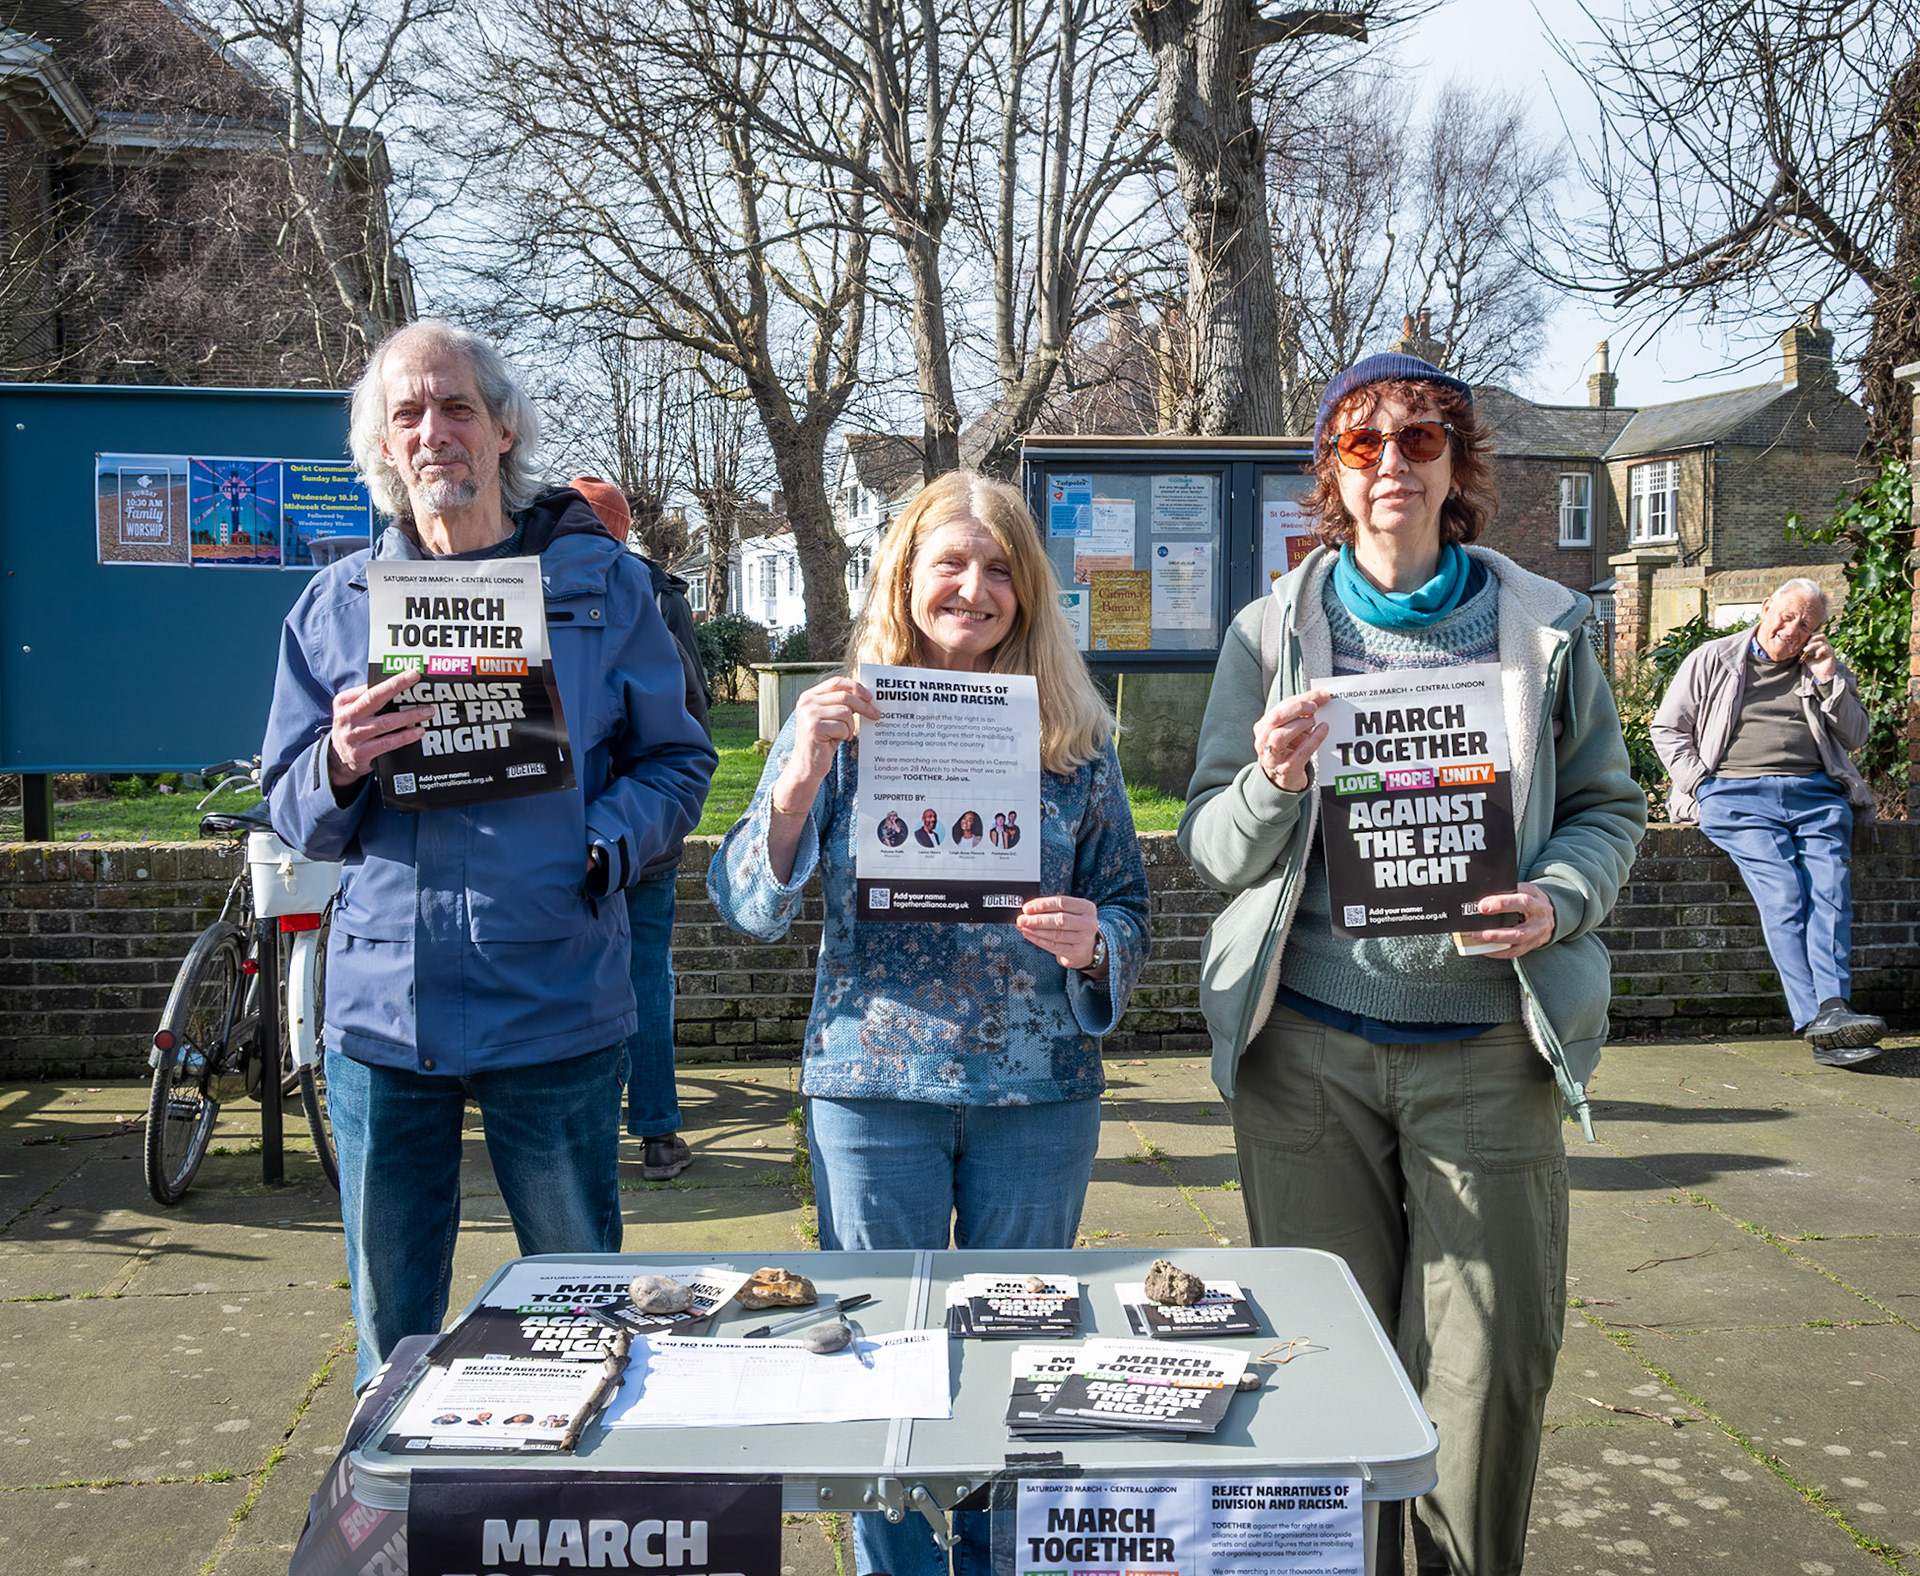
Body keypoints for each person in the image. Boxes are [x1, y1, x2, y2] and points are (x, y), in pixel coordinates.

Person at [1179, 353, 1645, 1576]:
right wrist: (1273, 781)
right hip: (1309, 1054)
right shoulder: (1269, 632)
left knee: (1488, 1372)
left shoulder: (1547, 628)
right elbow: (1212, 847)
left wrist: (1556, 898)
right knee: (1324, 1366)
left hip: (1489, 1046)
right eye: (1363, 442)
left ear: (1459, 465)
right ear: (1332, 471)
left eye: (1422, 438)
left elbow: (1610, 807)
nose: (1394, 461)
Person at [261, 321, 718, 1391]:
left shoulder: (603, 585)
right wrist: (337, 761)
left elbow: (678, 763)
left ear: (504, 427)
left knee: (580, 1322)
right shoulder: (333, 607)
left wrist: (601, 847)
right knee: (392, 1347)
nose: (433, 432)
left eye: (456, 406)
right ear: (379, 442)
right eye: (407, 413)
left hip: (551, 996)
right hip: (383, 1017)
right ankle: (399, 1538)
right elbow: (292, 808)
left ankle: (578, 1520)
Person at [709, 469, 1150, 1576]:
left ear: (1030, 592)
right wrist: (800, 774)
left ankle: (1001, 1562)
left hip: (1035, 1092)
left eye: (1000, 568)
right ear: (903, 578)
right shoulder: (842, 719)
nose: (975, 587)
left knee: (1015, 1362)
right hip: (874, 1089)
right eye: (949, 563)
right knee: (878, 1367)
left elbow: (1134, 909)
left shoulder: (1077, 740)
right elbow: (748, 906)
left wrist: (1094, 938)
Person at [1649, 579, 1883, 1064]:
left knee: (1831, 892)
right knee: (1783, 893)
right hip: (1735, 795)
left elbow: (1855, 735)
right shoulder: (1713, 658)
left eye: (1807, 624)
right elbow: (1668, 728)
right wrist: (1701, 784)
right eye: (1788, 615)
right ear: (1766, 606)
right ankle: (1818, 1018)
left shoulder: (1824, 668)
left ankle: (1834, 1009)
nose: (1793, 629)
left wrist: (1826, 678)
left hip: (1816, 796)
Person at [568, 474, 714, 1178]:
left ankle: (590, 1132)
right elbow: (692, 706)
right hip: (646, 822)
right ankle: (657, 1135)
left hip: (569, 825)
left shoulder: (537, 584)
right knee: (646, 976)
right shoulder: (660, 593)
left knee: (573, 977)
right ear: (623, 529)